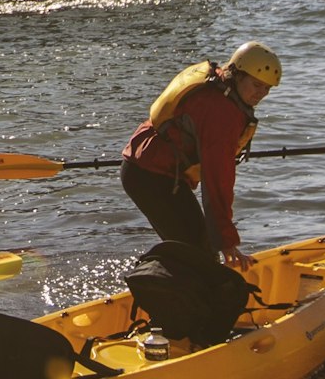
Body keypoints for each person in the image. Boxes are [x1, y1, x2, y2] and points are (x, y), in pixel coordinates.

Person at [117, 40, 282, 347]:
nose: (260, 95)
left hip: (146, 169)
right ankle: (181, 332)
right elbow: (218, 181)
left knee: (195, 249)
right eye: (256, 85)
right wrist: (227, 239)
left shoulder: (220, 89)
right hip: (150, 177)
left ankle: (174, 324)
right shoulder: (222, 112)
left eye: (267, 90)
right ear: (237, 75)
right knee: (198, 254)